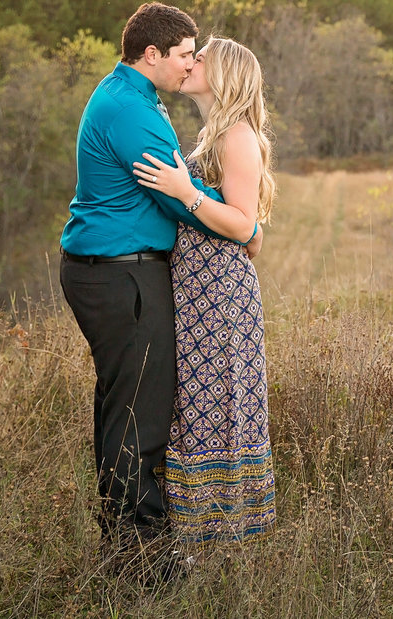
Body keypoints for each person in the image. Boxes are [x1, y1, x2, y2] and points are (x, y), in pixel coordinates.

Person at [59, 2, 255, 582]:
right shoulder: (130, 110)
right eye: (183, 56)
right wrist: (246, 226)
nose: (189, 65)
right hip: (121, 274)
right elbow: (177, 195)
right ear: (152, 56)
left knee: (126, 406)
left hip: (121, 270)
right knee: (139, 416)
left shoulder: (133, 98)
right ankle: (142, 561)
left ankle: (126, 542)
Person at [132, 36, 276, 541]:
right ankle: (202, 533)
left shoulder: (235, 135)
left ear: (226, 74)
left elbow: (242, 225)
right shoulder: (212, 133)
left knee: (215, 402)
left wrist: (186, 192)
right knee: (196, 403)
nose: (190, 64)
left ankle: (221, 535)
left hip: (219, 294)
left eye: (201, 58)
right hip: (197, 289)